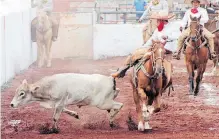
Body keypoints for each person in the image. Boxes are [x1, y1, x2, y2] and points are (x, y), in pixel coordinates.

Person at [111, 12, 176, 78]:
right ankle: (123, 69)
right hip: (155, 48)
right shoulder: (158, 29)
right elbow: (151, 39)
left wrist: (167, 37)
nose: (156, 21)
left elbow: (176, 36)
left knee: (159, 60)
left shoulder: (172, 27)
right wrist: (143, 47)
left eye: (158, 20)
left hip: (165, 49)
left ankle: (163, 76)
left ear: (162, 21)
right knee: (136, 53)